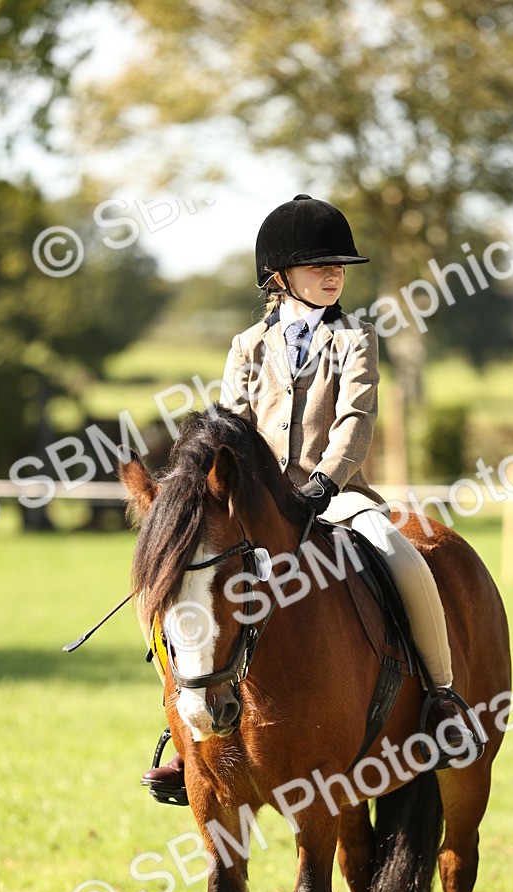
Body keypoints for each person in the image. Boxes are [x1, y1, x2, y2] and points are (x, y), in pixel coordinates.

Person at [143, 194, 475, 796]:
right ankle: (185, 732)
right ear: (279, 277)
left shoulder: (355, 339)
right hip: (259, 502)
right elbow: (231, 426)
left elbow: (356, 417)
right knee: (189, 578)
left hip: (336, 494)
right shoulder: (248, 346)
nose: (333, 275)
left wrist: (326, 479)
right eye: (319, 265)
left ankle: (441, 698)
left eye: (339, 266)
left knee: (401, 557)